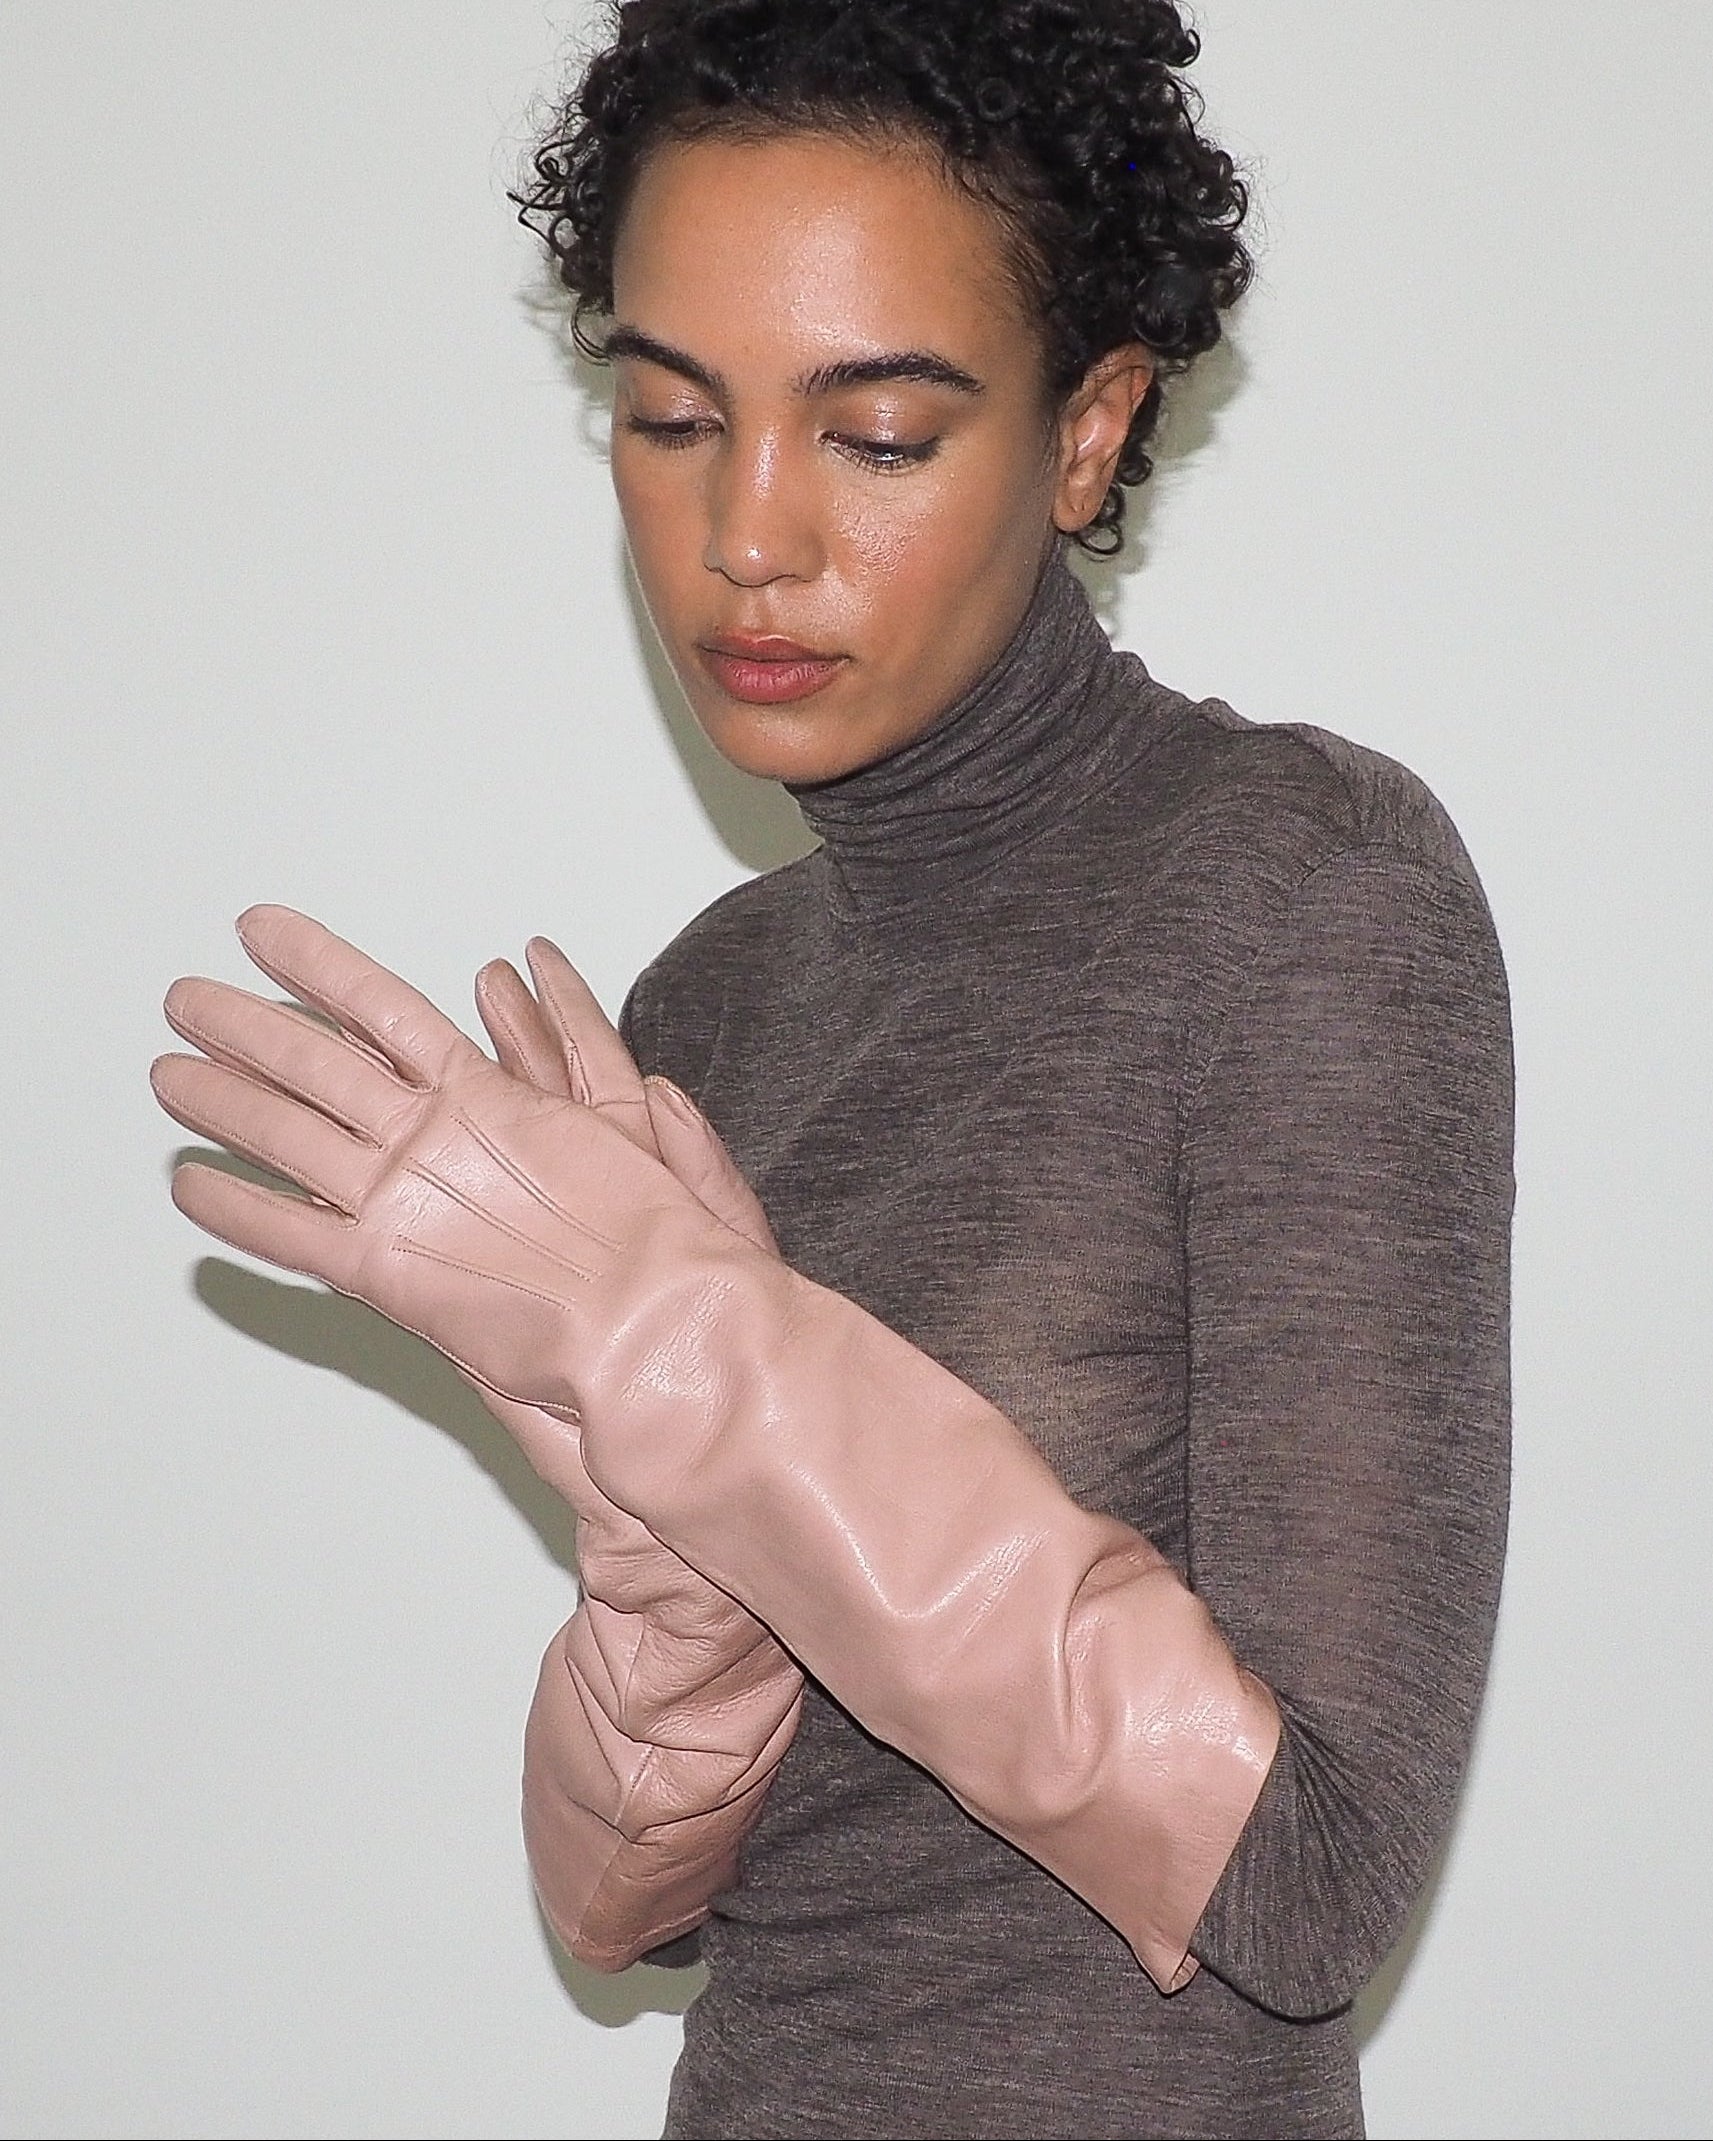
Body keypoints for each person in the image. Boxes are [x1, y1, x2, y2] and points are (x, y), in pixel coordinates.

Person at [150, 2, 1515, 2135]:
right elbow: (635, 1916)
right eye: (671, 417)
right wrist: (658, 1580)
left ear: (1088, 432)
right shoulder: (711, 1001)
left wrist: (692, 1356)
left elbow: (1311, 1878)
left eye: (872, 434)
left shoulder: (1297, 886)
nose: (748, 533)